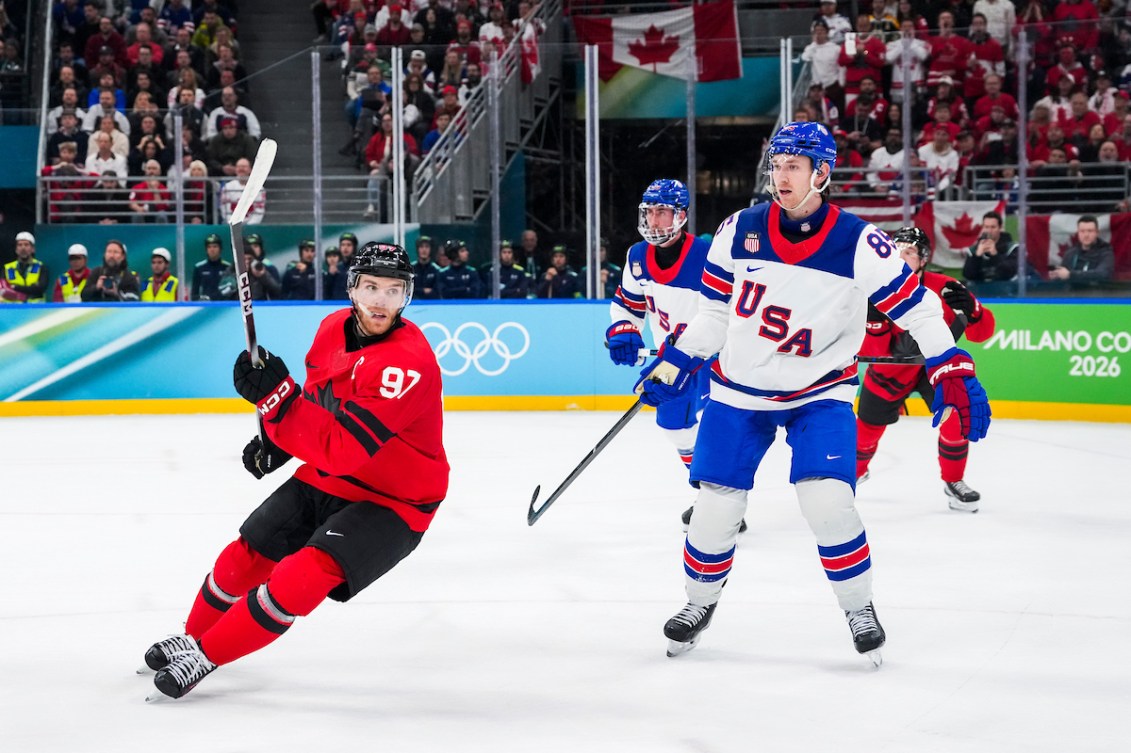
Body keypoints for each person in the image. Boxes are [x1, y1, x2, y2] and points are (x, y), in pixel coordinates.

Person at [635, 122, 991, 665]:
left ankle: (859, 607)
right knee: (713, 510)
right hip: (739, 390)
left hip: (819, 392)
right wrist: (679, 357)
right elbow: (712, 314)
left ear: (821, 173)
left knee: (828, 501)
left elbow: (917, 307)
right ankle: (697, 604)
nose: (780, 176)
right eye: (775, 165)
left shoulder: (859, 241)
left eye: (792, 166)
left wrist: (950, 365)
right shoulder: (739, 228)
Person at [142, 242, 449, 701]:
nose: (381, 301)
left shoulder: (407, 364)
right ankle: (192, 636)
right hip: (329, 474)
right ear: (352, 289)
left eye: (393, 290)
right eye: (371, 287)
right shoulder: (331, 329)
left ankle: (206, 654)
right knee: (246, 553)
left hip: (396, 500)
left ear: (406, 296)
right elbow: (320, 405)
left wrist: (279, 402)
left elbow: (345, 448)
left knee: (301, 576)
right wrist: (276, 435)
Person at [606, 180, 745, 532]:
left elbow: (727, 310)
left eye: (662, 212)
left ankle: (721, 504)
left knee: (719, 426)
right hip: (670, 360)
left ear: (680, 215)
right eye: (649, 212)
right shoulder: (637, 256)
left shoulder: (707, 255)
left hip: (713, 356)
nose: (654, 220)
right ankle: (713, 495)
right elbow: (628, 305)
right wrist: (624, 330)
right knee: (675, 427)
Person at [856, 227, 997, 512]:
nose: (901, 257)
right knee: (865, 432)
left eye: (908, 252)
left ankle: (954, 480)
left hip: (937, 369)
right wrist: (874, 321)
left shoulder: (944, 287)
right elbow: (875, 354)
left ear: (923, 260)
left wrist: (974, 309)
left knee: (956, 415)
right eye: (896, 251)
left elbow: (983, 333)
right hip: (890, 374)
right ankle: (853, 474)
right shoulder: (875, 288)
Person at [1048, 215, 1115, 285]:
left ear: (1097, 233)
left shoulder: (1106, 252)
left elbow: (1103, 274)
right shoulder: (1070, 253)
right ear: (1078, 233)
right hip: (1072, 294)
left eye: (1090, 231)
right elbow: (1063, 278)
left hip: (1097, 293)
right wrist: (1057, 275)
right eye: (1082, 231)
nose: (1086, 235)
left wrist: (1071, 275)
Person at [962, 210, 1019, 284]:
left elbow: (1010, 274)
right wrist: (977, 256)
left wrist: (995, 255)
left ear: (1000, 227)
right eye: (986, 227)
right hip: (980, 292)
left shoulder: (1012, 248)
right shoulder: (973, 250)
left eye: (993, 227)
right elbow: (968, 276)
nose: (989, 230)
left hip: (1005, 291)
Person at [2, 232, 48, 303]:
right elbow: (3, 289)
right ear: (16, 249)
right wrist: (32, 287)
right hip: (13, 309)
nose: (23, 248)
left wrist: (15, 287)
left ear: (33, 249)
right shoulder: (7, 268)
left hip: (36, 309)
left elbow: (40, 288)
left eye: (26, 245)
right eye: (20, 245)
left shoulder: (41, 267)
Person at [192, 233, 233, 301]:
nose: (212, 249)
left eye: (215, 246)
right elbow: (194, 293)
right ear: (206, 249)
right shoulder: (199, 268)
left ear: (220, 249)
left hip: (224, 306)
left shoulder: (228, 267)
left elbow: (230, 289)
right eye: (209, 247)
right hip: (206, 305)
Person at [412, 235, 443, 300]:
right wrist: (424, 290)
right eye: (421, 247)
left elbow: (438, 292)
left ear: (431, 249)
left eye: (427, 247)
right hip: (413, 304)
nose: (424, 250)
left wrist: (417, 290)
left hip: (432, 304)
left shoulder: (437, 270)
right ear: (417, 249)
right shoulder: (410, 268)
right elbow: (408, 291)